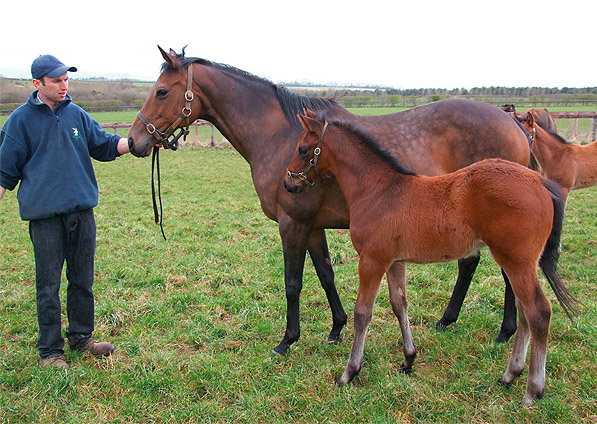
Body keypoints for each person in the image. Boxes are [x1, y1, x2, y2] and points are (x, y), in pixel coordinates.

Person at [0, 54, 131, 369]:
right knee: (48, 285)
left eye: (66, 80)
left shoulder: (76, 114)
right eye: (57, 80)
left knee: (82, 279)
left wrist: (139, 143)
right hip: (45, 219)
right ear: (37, 83)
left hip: (82, 213)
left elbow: (105, 145)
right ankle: (50, 351)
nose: (63, 86)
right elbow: (4, 172)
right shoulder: (19, 121)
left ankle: (82, 338)